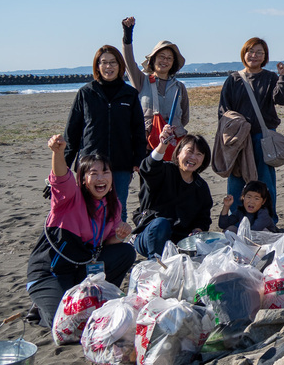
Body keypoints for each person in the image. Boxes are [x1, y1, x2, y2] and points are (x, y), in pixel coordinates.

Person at [26, 135, 135, 328]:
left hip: (80, 268)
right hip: (50, 272)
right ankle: (40, 304)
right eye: (94, 173)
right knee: (64, 322)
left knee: (125, 252)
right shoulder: (69, 198)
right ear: (83, 180)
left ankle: (103, 294)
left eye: (105, 172)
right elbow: (61, 176)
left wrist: (119, 236)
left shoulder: (114, 205)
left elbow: (107, 245)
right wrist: (58, 153)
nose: (101, 178)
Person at [64, 45, 146, 218]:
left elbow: (138, 130)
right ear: (97, 66)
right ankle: (90, 244)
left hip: (121, 163)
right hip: (89, 164)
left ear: (120, 65)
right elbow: (72, 132)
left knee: (117, 209)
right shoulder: (86, 93)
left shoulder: (129, 94)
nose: (109, 67)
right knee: (87, 208)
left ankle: (114, 245)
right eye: (104, 63)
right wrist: (63, 166)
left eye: (113, 62)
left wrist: (138, 158)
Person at [218, 37, 284, 216]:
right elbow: (223, 112)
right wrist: (234, 132)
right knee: (236, 181)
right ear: (244, 53)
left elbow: (282, 99)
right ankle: (236, 221)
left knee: (265, 182)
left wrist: (282, 77)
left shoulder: (270, 77)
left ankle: (268, 221)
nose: (255, 56)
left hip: (263, 137)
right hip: (240, 139)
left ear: (265, 56)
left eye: (260, 52)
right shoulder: (233, 80)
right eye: (251, 51)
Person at [131, 126, 214, 258]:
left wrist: (198, 230)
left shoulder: (201, 186)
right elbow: (148, 168)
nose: (193, 157)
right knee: (161, 224)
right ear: (179, 152)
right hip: (151, 234)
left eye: (199, 154)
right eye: (190, 151)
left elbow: (203, 217)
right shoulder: (165, 171)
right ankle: (156, 263)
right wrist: (162, 145)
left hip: (181, 241)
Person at [121, 17, 190, 149]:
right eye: (161, 57)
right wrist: (127, 36)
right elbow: (129, 62)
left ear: (173, 63)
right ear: (153, 59)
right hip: (148, 145)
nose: (165, 61)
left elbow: (185, 117)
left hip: (174, 143)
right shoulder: (142, 81)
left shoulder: (179, 87)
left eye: (169, 58)